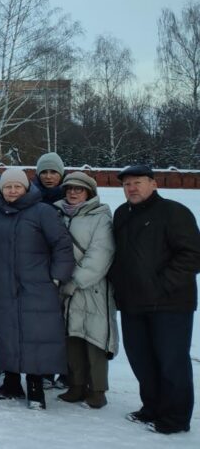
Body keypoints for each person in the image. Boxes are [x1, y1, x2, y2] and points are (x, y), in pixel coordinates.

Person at [110, 165, 200, 435]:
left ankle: (175, 418)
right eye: (127, 184)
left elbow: (192, 255)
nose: (132, 188)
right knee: (142, 359)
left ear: (153, 184)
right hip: (133, 302)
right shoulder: (122, 214)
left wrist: (161, 285)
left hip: (170, 304)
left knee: (171, 361)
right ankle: (151, 407)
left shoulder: (174, 212)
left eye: (138, 182)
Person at [0, 167, 74, 410]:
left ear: (26, 188)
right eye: (7, 186)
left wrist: (56, 278)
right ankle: (11, 382)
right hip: (2, 286)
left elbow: (62, 245)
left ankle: (35, 388)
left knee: (36, 337)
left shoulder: (43, 211)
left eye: (17, 186)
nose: (12, 191)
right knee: (6, 334)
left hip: (37, 286)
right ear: (1, 189)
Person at [53, 172, 118, 409]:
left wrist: (75, 281)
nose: (72, 192)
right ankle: (76, 384)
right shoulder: (56, 213)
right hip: (63, 286)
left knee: (95, 339)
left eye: (78, 189)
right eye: (69, 188)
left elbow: (101, 253)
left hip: (92, 288)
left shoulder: (100, 217)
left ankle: (98, 389)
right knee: (72, 337)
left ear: (89, 193)